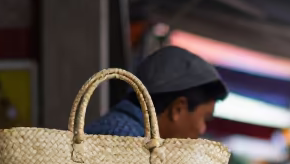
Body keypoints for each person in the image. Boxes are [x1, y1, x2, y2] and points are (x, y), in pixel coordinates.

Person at [85, 46, 228, 139]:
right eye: (205, 118)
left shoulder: (118, 130)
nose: (202, 130)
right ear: (178, 108)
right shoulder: (127, 146)